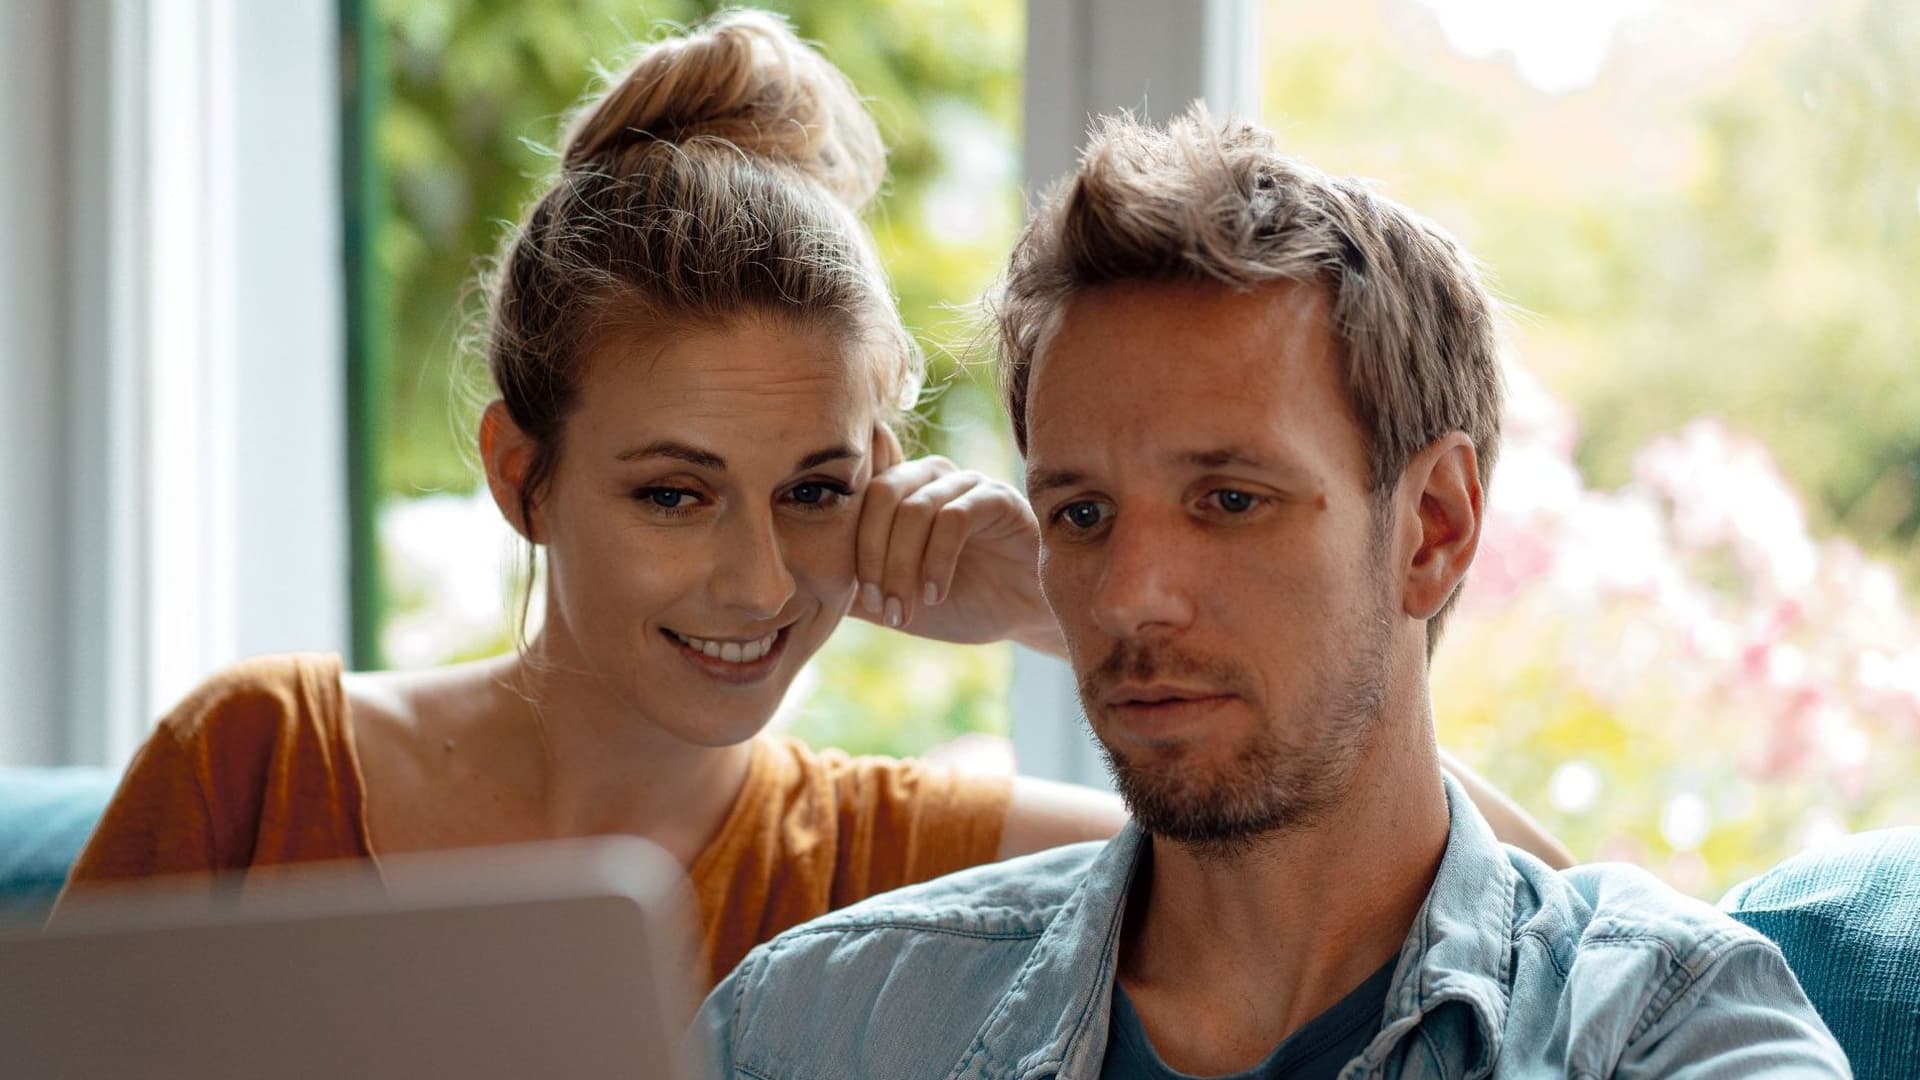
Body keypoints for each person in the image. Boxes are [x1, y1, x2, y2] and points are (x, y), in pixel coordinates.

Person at [59, 10, 1564, 997]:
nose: (757, 581)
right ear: (522, 473)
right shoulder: (254, 768)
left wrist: (1074, 594)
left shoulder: (898, 859)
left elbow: (1533, 918)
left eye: (817, 491)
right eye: (672, 493)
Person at [692, 107, 1850, 1076]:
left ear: (1433, 529)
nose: (1130, 597)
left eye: (1231, 501)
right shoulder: (818, 1027)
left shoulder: (1675, 1035)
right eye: (1081, 515)